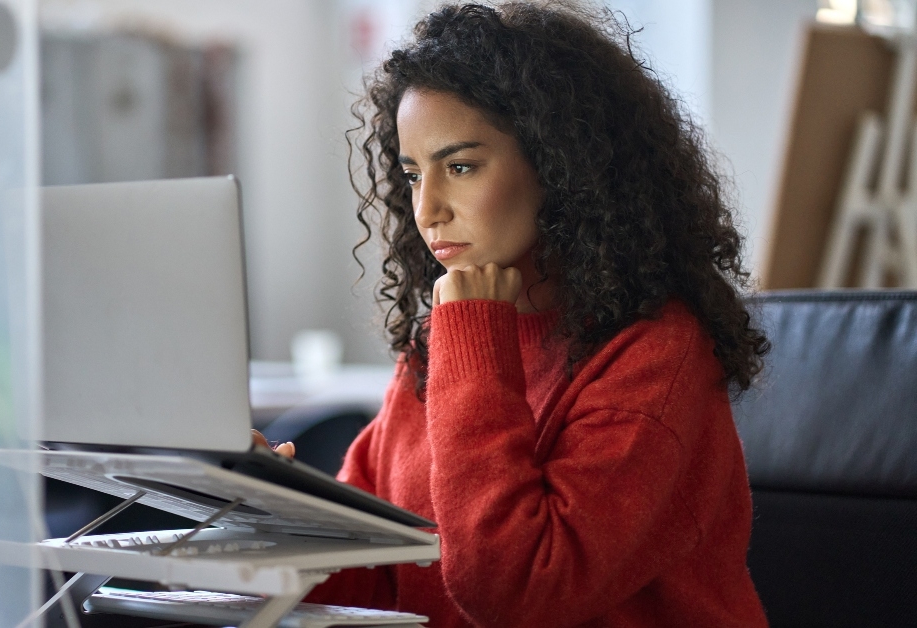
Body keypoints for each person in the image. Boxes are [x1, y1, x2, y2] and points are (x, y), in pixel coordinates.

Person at [279, 2, 772, 626]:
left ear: (561, 165)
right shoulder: (442, 345)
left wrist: (473, 337)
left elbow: (516, 593)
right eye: (411, 174)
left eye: (460, 167)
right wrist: (278, 511)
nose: (427, 208)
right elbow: (381, 578)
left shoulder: (657, 353)